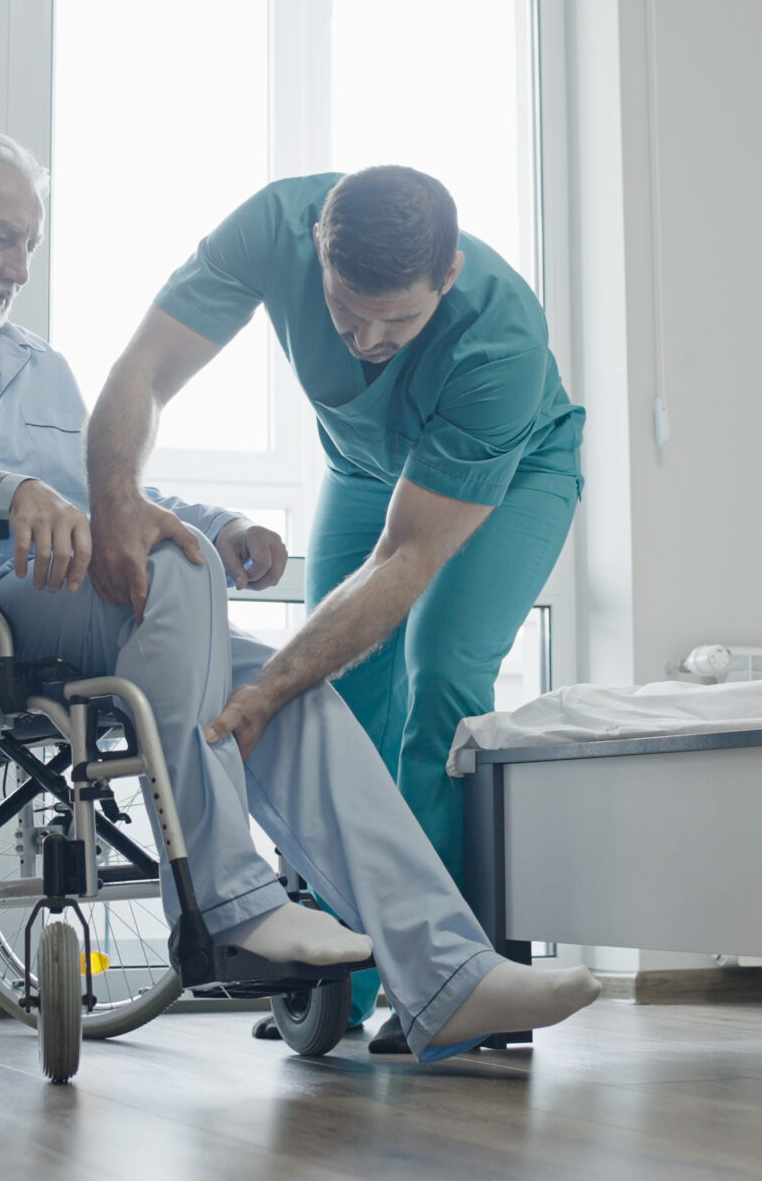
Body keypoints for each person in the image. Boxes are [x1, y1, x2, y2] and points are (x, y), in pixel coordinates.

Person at [0, 131, 598, 1060]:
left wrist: (214, 524)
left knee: (291, 691)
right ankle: (226, 904)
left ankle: (448, 972)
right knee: (177, 573)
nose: (17, 268)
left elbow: (113, 497)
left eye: (28, 247)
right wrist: (7, 492)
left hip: (74, 593)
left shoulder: (38, 367)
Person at [86, 167, 582, 1049]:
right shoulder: (274, 225)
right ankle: (340, 977)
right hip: (364, 467)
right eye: (348, 313)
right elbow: (145, 370)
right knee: (339, 702)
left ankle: (450, 982)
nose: (370, 342)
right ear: (316, 249)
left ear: (449, 273)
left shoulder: (499, 340)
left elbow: (407, 555)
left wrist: (266, 689)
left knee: (444, 680)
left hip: (512, 475)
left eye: (401, 320)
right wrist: (116, 497)